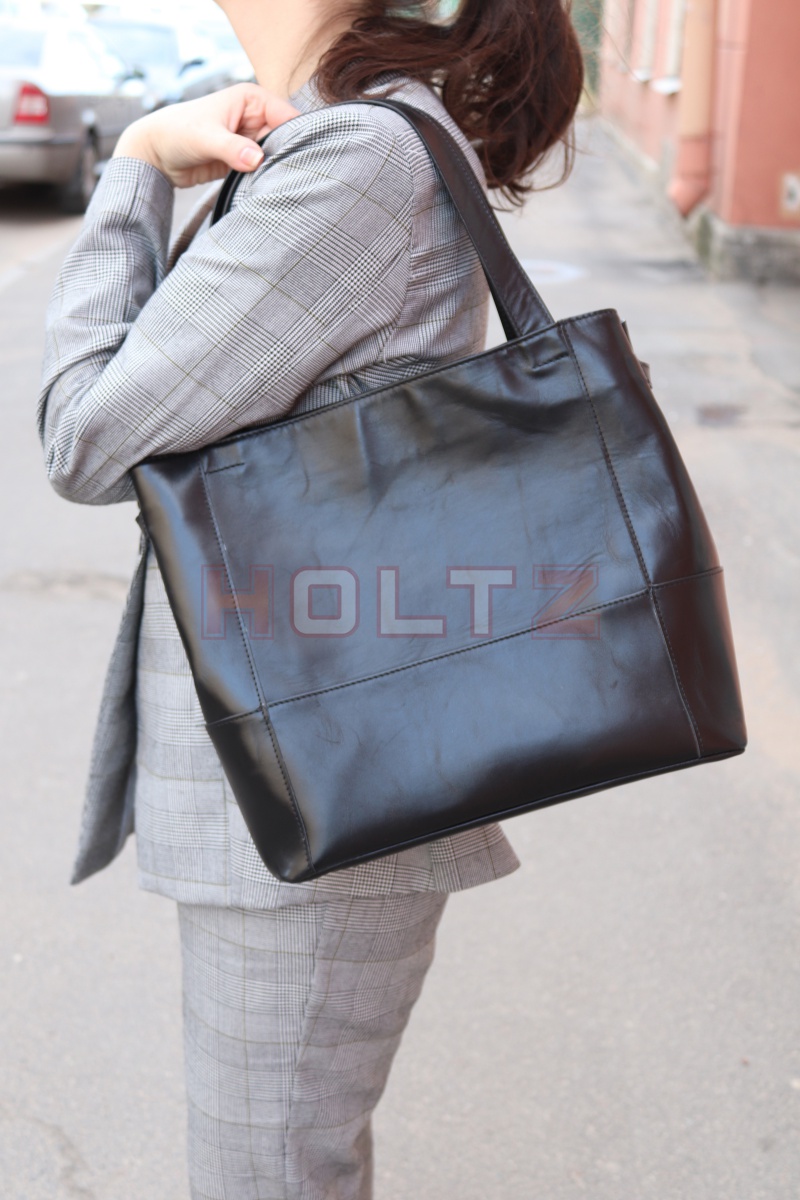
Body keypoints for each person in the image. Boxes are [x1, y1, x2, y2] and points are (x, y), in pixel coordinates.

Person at [37, 1, 583, 1195]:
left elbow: (84, 436)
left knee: (269, 1171)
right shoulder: (345, 132)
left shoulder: (357, 157)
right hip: (305, 768)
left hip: (318, 780)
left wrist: (135, 168)